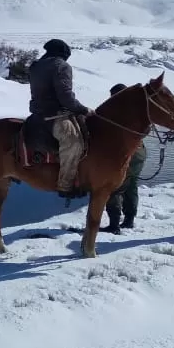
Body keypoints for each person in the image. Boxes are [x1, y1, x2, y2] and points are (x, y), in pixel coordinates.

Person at [28, 38, 91, 198]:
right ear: (64, 55)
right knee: (73, 143)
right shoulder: (61, 66)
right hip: (55, 115)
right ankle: (65, 185)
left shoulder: (35, 66)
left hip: (37, 114)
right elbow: (65, 97)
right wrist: (83, 109)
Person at [102, 83, 146, 234]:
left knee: (114, 188)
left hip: (123, 155)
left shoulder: (114, 111)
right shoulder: (138, 110)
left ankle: (114, 224)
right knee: (131, 186)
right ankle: (129, 220)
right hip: (139, 154)